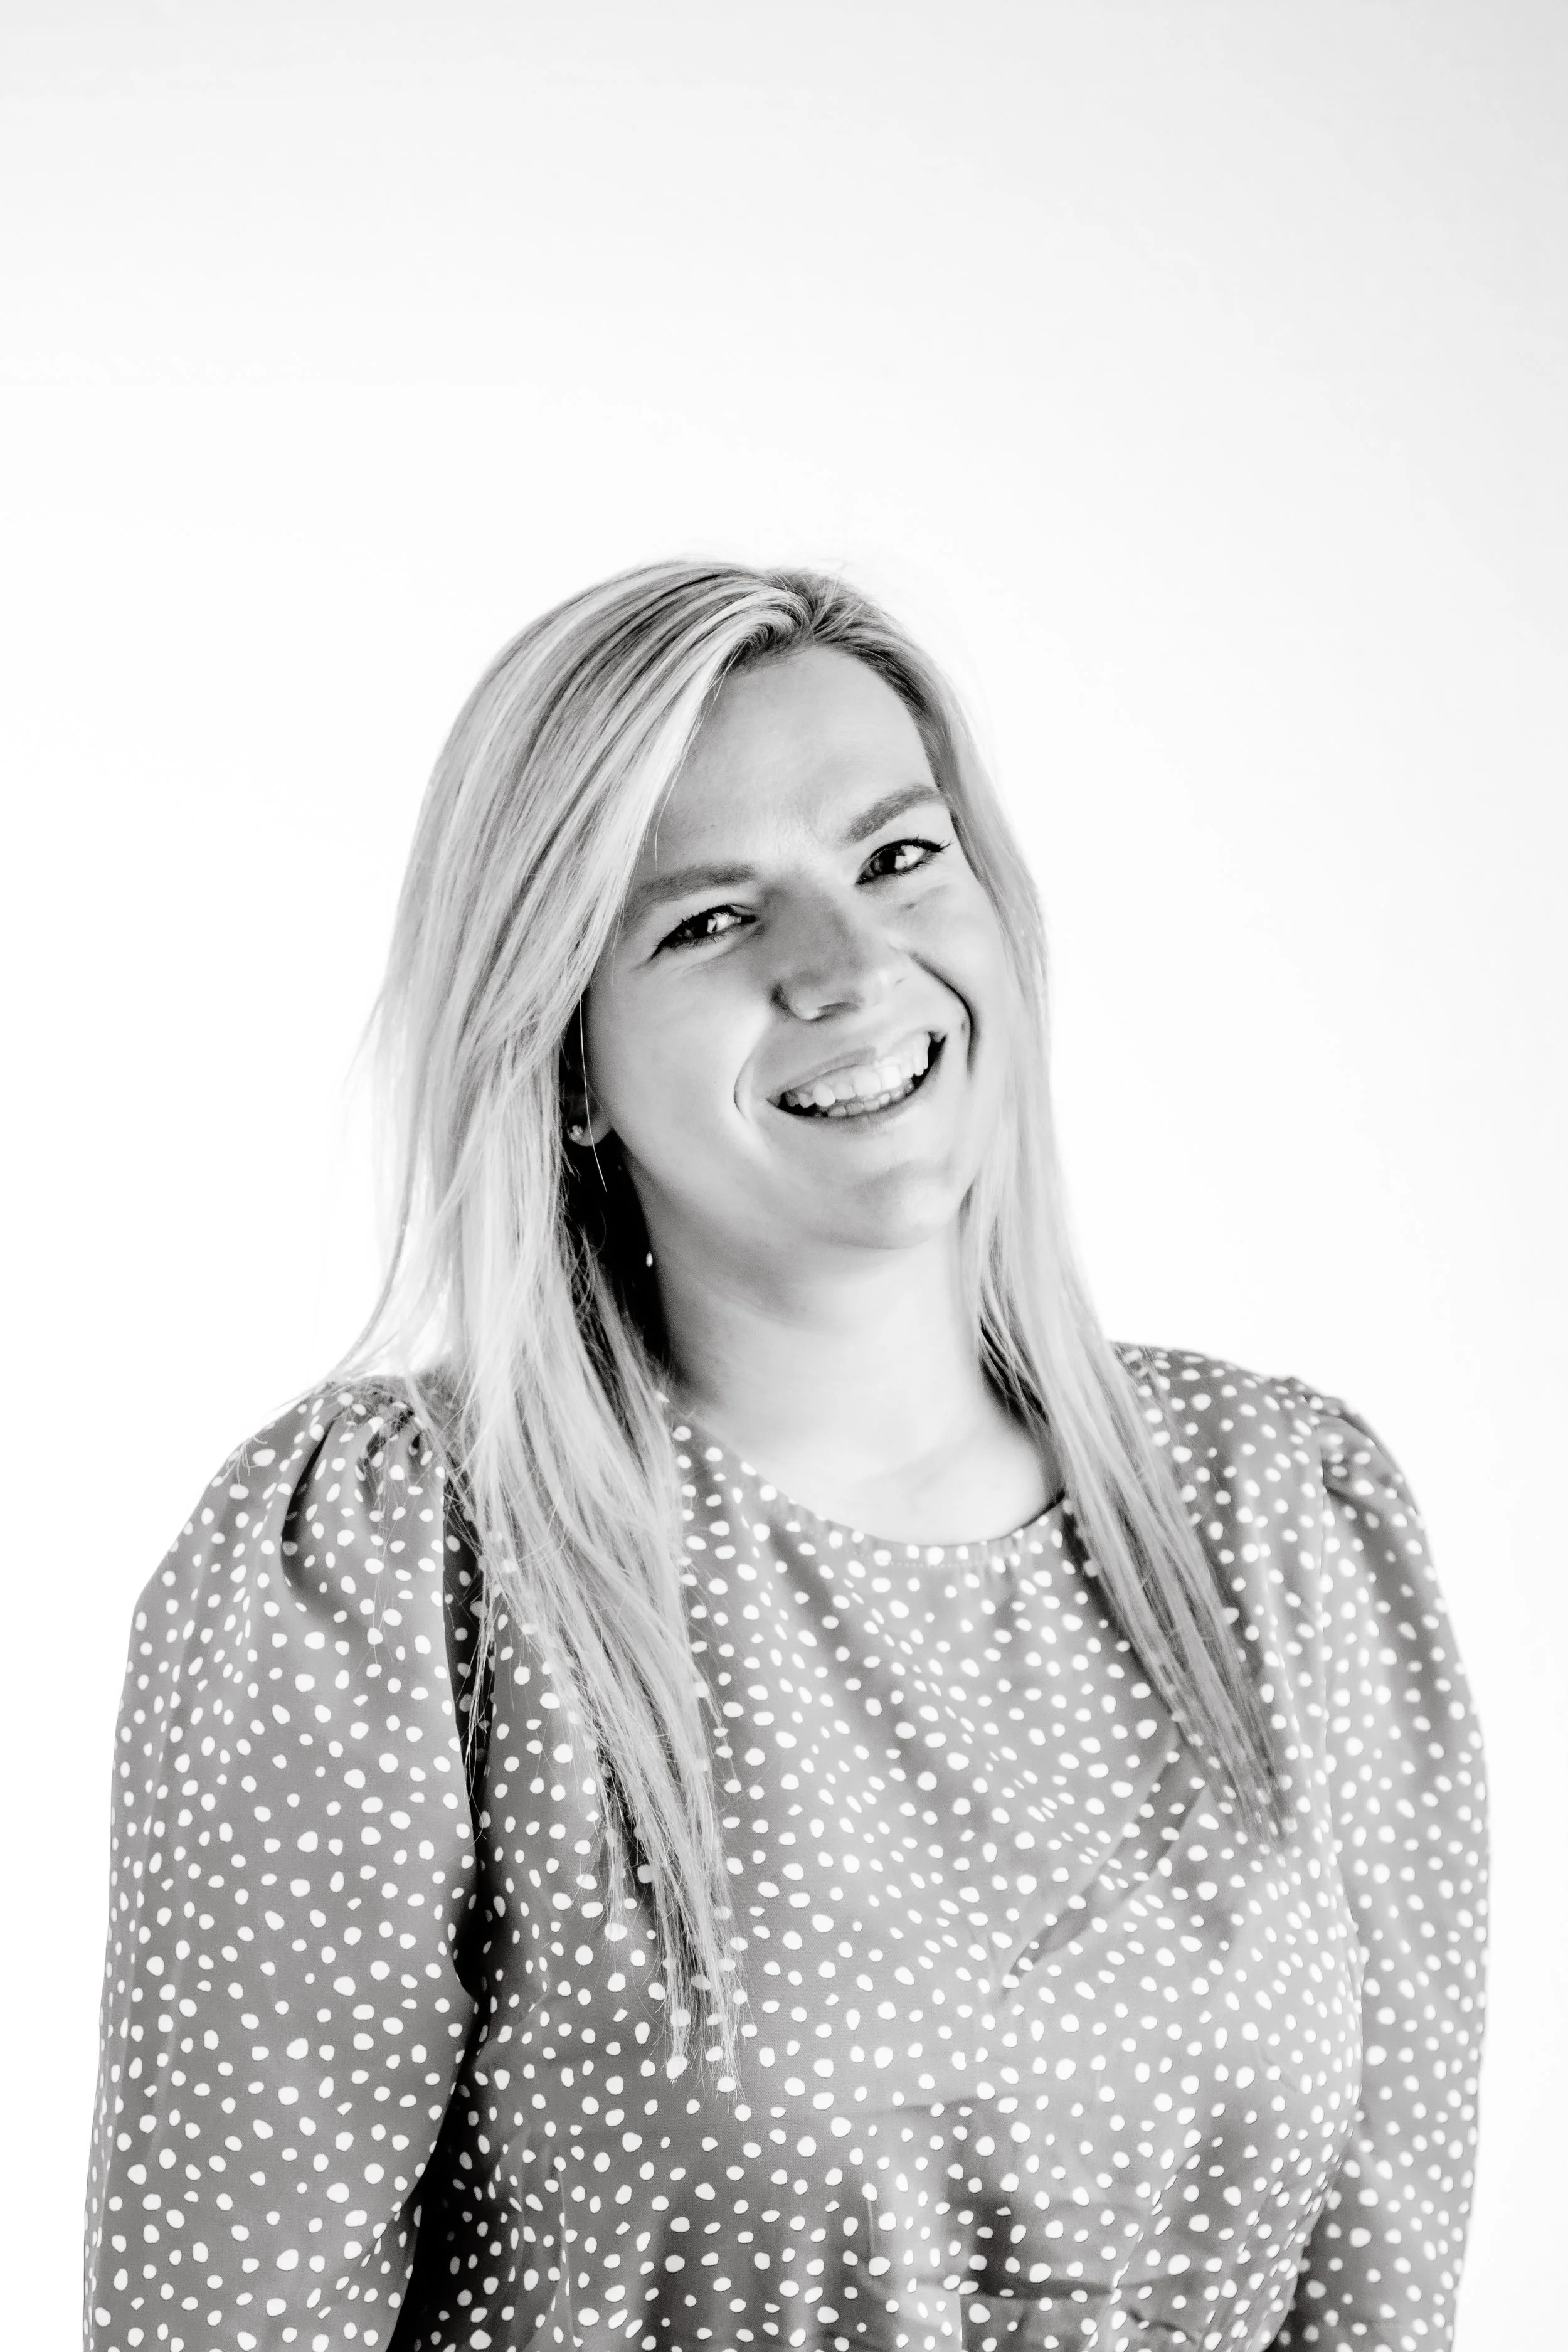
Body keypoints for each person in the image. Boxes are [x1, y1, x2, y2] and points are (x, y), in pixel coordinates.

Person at [85, 563, 1486, 2352]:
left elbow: (1378, 2307)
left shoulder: (1289, 1520)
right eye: (706, 920)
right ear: (566, 1052)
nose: (843, 965)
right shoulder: (388, 1565)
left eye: (897, 857)